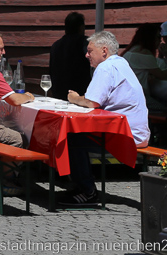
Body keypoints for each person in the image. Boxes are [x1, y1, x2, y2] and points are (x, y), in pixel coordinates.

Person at [64, 31, 150, 207]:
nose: (86, 55)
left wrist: (74, 98)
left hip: (126, 135)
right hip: (138, 132)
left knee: (71, 138)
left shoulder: (106, 67)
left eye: (90, 51)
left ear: (104, 51)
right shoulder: (121, 63)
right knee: (74, 136)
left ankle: (87, 191)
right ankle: (79, 185)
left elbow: (92, 102)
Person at [48, 12, 91, 97]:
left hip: (58, 94)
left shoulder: (56, 45)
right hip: (80, 94)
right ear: (81, 27)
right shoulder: (85, 43)